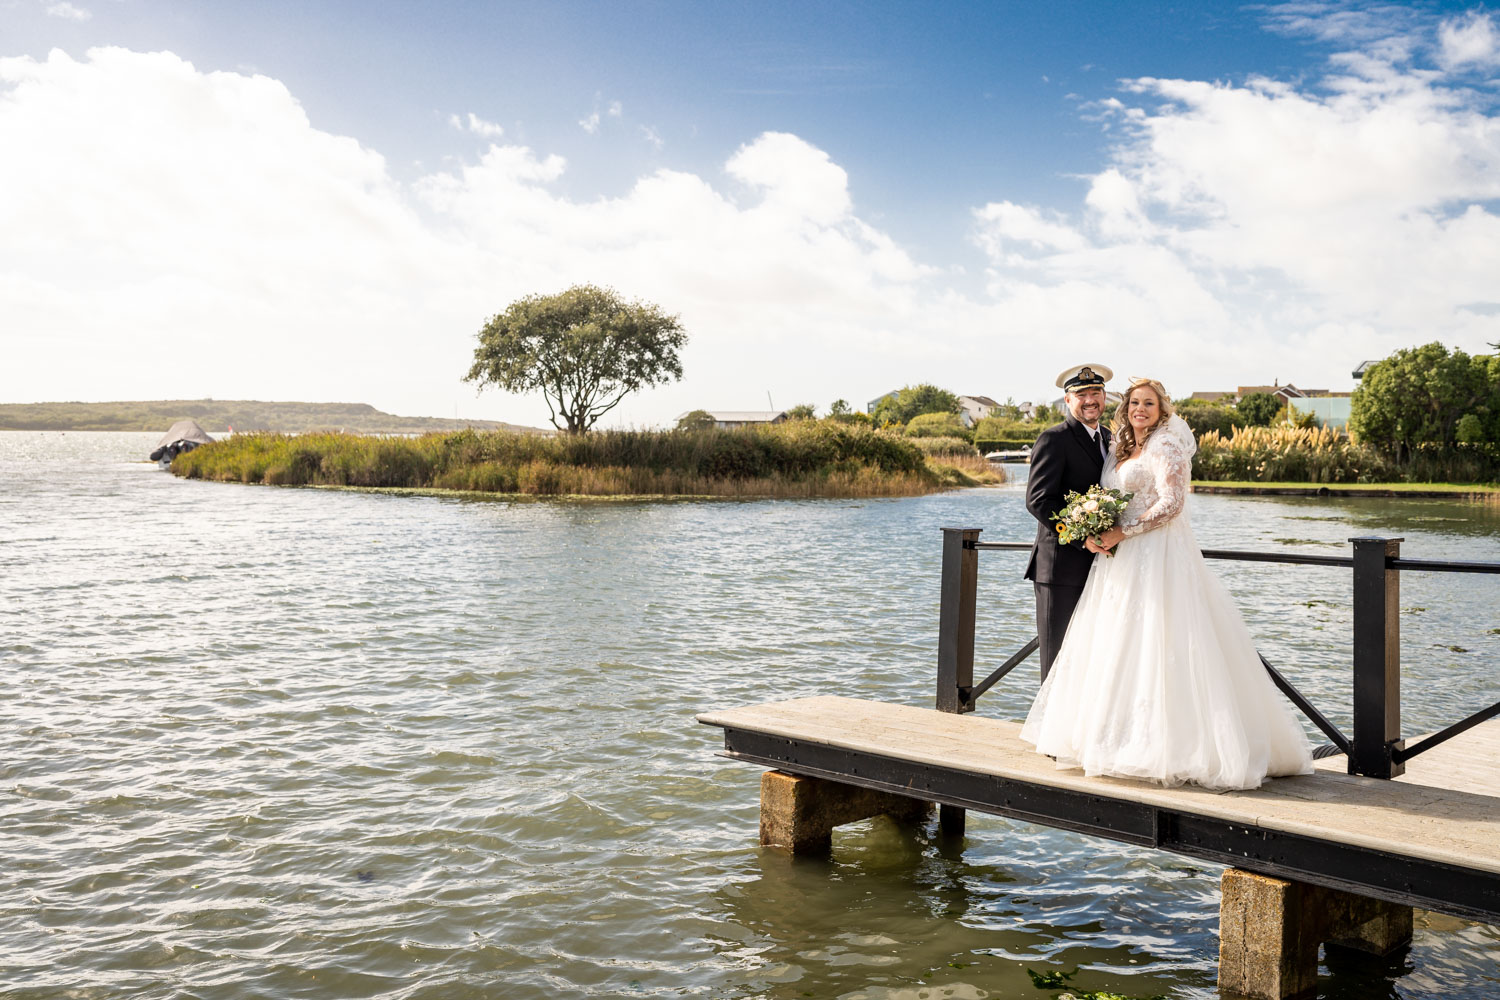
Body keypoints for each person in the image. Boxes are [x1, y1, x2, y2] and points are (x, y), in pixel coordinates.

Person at [1020, 377, 1314, 791]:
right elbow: (1039, 498)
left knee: (1162, 642)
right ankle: (1093, 736)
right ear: (1070, 399)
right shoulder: (1110, 443)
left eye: (1148, 404)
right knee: (1110, 645)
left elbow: (1172, 503)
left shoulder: (1156, 444)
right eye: (1134, 402)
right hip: (1098, 562)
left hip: (1151, 555)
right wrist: (1084, 528)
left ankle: (1166, 744)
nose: (1139, 409)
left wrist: (1120, 532)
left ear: (1162, 410)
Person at [1024, 364, 1114, 681]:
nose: (1090, 400)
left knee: (1093, 656)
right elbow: (1038, 500)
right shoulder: (1054, 439)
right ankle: (1047, 730)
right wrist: (1079, 538)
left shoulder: (1111, 438)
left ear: (1105, 397)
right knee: (1058, 659)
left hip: (1103, 569)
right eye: (1081, 394)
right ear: (1067, 400)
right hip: (1059, 570)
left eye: (1096, 393)